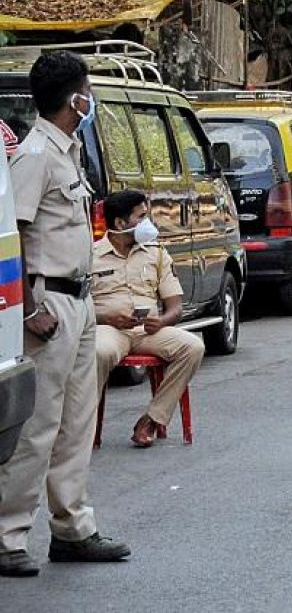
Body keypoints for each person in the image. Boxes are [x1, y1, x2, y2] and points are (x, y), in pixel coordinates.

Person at [0, 51, 130, 578]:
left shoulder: (68, 151)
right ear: (75, 99)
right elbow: (19, 235)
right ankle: (9, 536)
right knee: (39, 426)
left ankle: (73, 527)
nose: (91, 99)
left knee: (78, 421)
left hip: (80, 299)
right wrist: (30, 310)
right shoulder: (35, 155)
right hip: (48, 302)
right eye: (88, 91)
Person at [92, 189, 205, 448]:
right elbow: (78, 308)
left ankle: (153, 419)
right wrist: (106, 317)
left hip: (148, 331)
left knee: (192, 347)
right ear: (120, 223)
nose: (147, 223)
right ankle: (83, 426)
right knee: (98, 352)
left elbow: (175, 306)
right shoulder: (91, 255)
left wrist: (163, 321)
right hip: (109, 329)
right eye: (141, 217)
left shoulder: (156, 253)